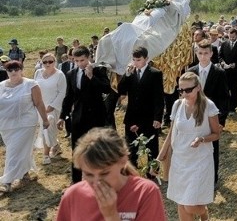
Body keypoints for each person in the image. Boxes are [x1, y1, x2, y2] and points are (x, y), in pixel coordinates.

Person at [56, 127, 167, 221]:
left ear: (123, 161)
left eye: (104, 173)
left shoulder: (144, 193)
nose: (96, 182)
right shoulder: (73, 196)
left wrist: (111, 215)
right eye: (89, 175)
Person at [158, 72, 221, 221]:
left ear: (198, 87)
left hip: (200, 160)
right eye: (181, 90)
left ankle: (204, 214)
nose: (184, 94)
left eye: (188, 90)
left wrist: (202, 139)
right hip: (180, 160)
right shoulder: (177, 105)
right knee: (181, 202)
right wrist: (161, 155)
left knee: (190, 206)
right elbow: (172, 132)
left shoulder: (208, 106)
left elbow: (216, 134)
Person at [95, 0, 191, 75]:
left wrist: (169, 3)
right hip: (141, 23)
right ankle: (105, 60)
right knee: (124, 28)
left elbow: (179, 11)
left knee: (141, 40)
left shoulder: (173, 5)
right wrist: (147, 10)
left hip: (156, 27)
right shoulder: (156, 3)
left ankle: (128, 64)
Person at [57, 46, 113, 184]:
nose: (79, 63)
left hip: (96, 117)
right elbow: (69, 97)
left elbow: (106, 89)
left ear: (88, 58)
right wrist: (62, 116)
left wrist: (91, 77)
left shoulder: (98, 70)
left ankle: (100, 180)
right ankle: (76, 182)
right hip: (78, 118)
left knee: (97, 150)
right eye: (76, 60)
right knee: (77, 150)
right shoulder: (71, 73)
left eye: (82, 60)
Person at [0, 61, 50, 193]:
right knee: (19, 149)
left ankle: (7, 181)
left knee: (14, 151)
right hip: (6, 125)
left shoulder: (31, 84)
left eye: (16, 69)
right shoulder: (1, 86)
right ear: (7, 72)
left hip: (26, 124)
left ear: (22, 70)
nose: (13, 72)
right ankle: (25, 174)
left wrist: (45, 119)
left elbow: (39, 103)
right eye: (10, 70)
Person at [187, 40, 230, 188]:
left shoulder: (219, 73)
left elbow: (224, 99)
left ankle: (212, 179)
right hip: (194, 117)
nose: (203, 56)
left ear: (211, 54)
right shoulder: (191, 72)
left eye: (206, 53)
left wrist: (221, 121)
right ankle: (196, 177)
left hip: (212, 117)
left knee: (212, 148)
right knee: (195, 145)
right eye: (200, 53)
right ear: (196, 53)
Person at [117, 46, 164, 176]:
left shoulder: (155, 74)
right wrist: (126, 75)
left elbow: (159, 98)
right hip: (132, 116)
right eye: (134, 60)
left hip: (148, 117)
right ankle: (131, 172)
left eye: (138, 60)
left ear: (146, 59)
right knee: (131, 146)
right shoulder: (130, 73)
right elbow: (121, 90)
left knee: (152, 146)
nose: (135, 62)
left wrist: (158, 117)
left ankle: (152, 172)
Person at [33, 52, 67, 165]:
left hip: (53, 107)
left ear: (55, 62)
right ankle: (56, 146)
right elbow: (33, 88)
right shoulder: (38, 72)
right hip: (39, 106)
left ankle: (46, 155)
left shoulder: (60, 74)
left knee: (46, 130)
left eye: (50, 61)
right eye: (45, 62)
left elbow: (62, 92)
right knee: (47, 130)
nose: (47, 64)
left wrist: (52, 106)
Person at [219, 28, 237, 114]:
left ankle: (232, 108)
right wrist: (222, 63)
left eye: (233, 37)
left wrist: (236, 64)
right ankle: (225, 107)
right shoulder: (224, 44)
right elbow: (220, 56)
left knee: (234, 90)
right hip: (225, 71)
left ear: (236, 35)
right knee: (225, 90)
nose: (231, 38)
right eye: (230, 37)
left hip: (236, 72)